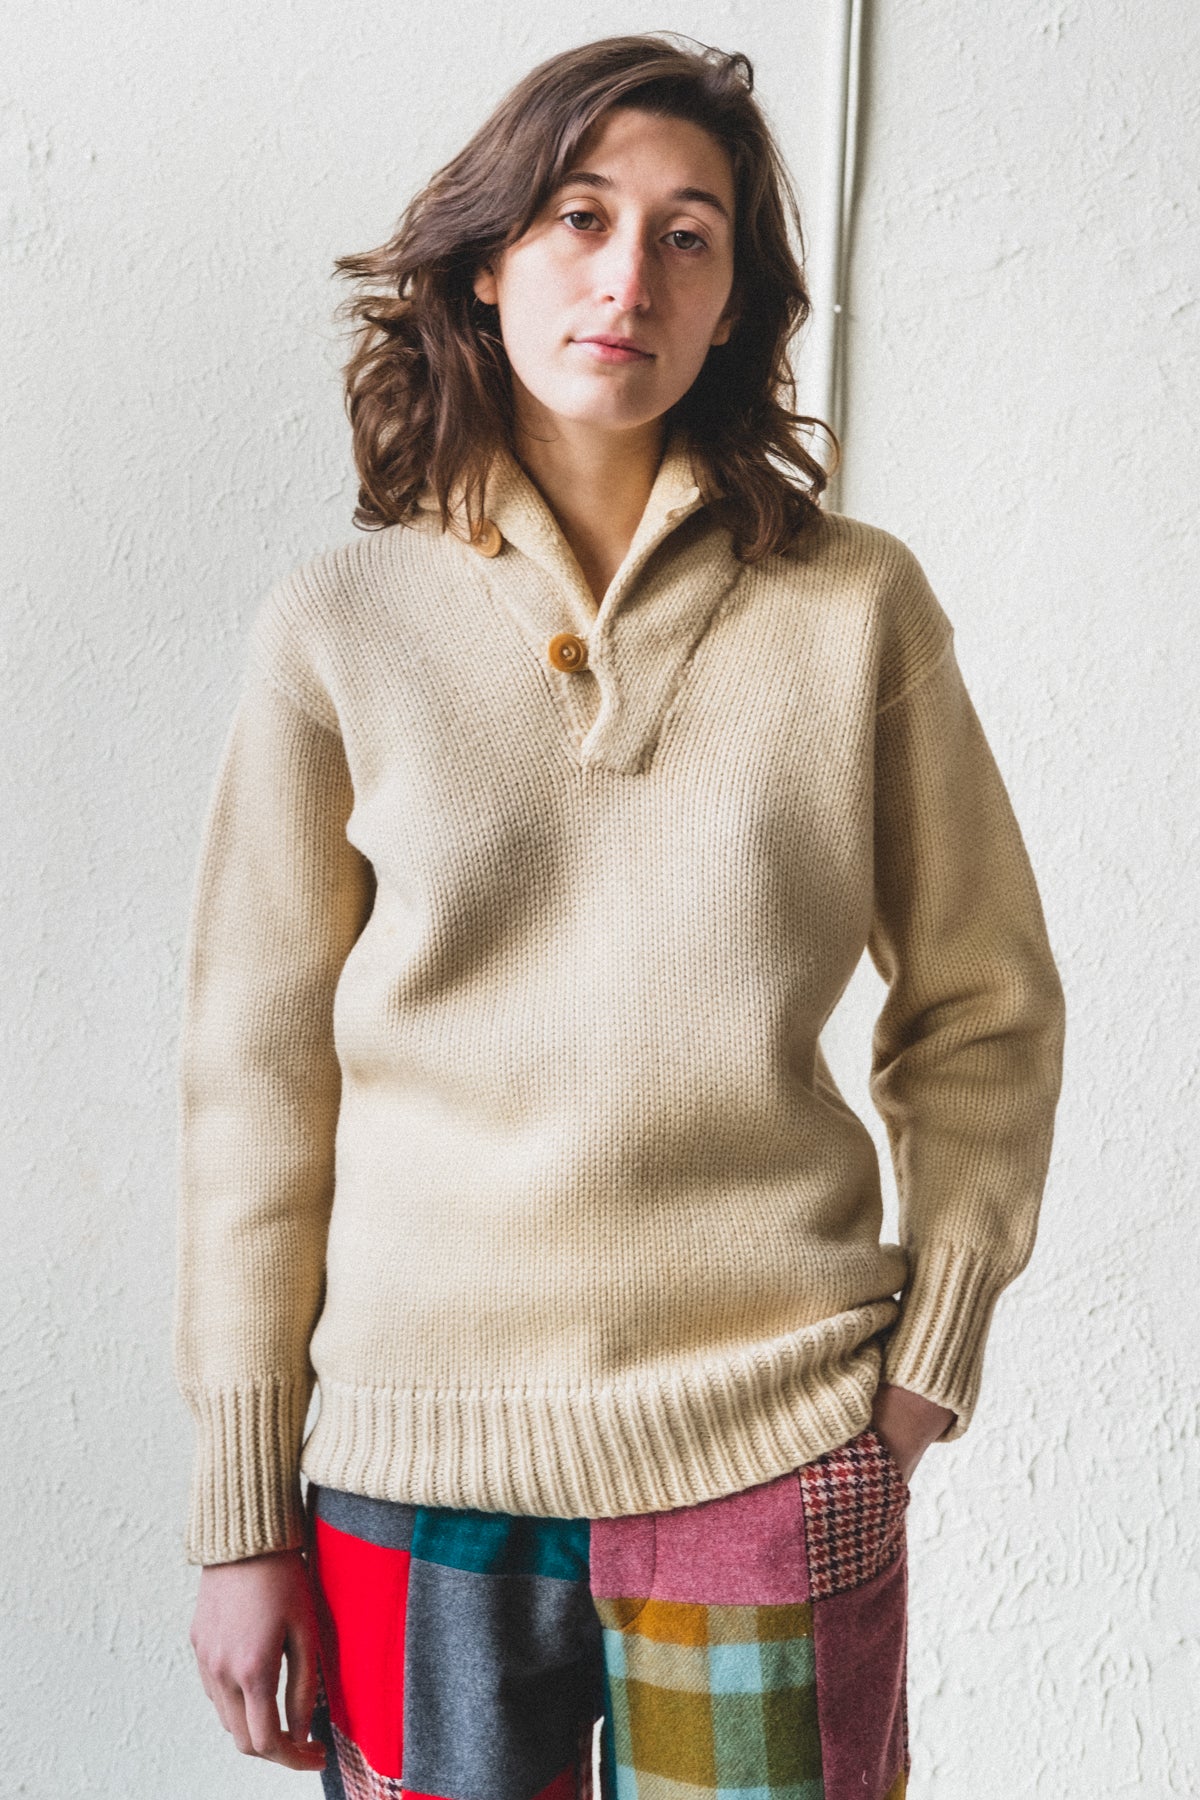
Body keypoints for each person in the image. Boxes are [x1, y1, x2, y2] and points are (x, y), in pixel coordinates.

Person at [174, 32, 1066, 1800]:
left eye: (688, 234)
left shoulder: (856, 609)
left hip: (770, 1443)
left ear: (735, 305)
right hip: (410, 1463)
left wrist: (927, 1363)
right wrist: (240, 1511)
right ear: (486, 262)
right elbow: (256, 1085)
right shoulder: (338, 625)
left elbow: (984, 1001)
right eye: (579, 217)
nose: (628, 276)